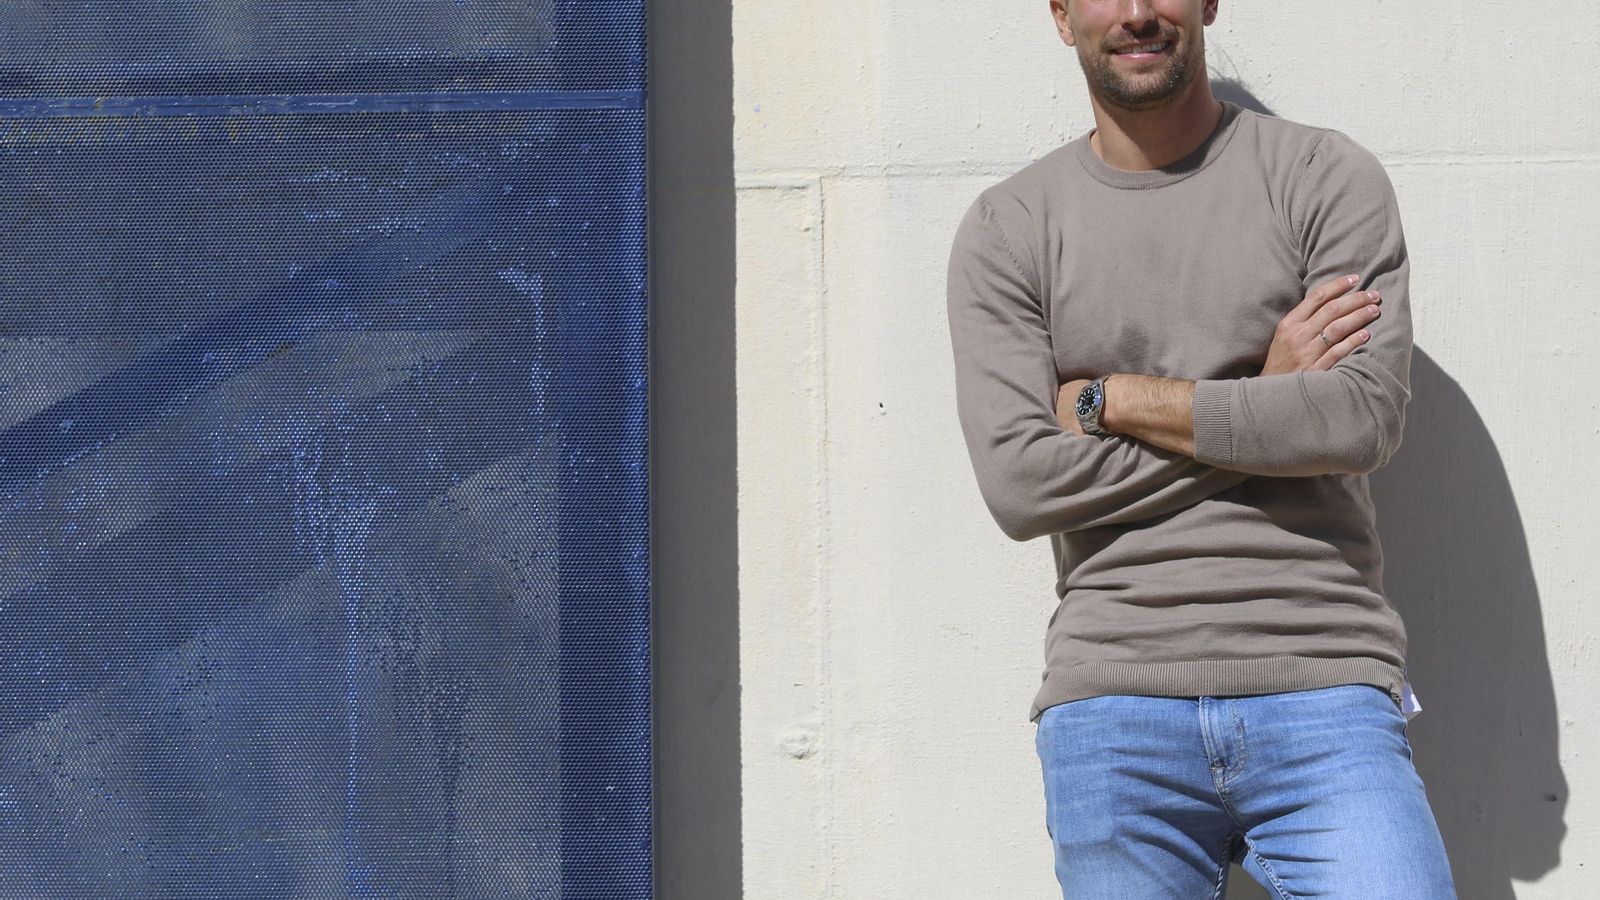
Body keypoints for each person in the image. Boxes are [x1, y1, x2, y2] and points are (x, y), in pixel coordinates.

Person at [943, 1, 1457, 896]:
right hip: (1114, 696)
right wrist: (1268, 398)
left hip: (1322, 678)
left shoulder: (1319, 176)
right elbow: (1022, 487)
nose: (1138, 13)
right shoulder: (1010, 228)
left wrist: (1121, 400)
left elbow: (1360, 420)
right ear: (1062, 16)